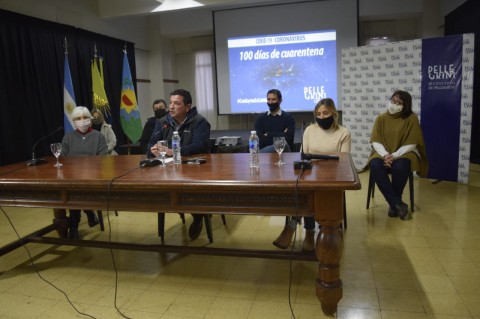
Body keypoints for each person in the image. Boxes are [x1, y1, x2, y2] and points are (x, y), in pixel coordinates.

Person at [273, 98, 351, 251]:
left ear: (333, 113)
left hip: (332, 176)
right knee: (305, 190)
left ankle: (294, 227)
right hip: (311, 172)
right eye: (318, 114)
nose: (321, 117)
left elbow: (344, 160)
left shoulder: (343, 133)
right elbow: (304, 154)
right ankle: (308, 232)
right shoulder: (309, 130)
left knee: (310, 193)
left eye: (325, 113)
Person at [147, 89, 211, 240]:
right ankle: (182, 207)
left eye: (177, 103)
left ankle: (198, 216)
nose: (171, 107)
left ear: (187, 107)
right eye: (170, 103)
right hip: (169, 170)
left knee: (188, 191)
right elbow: (149, 144)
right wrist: (153, 150)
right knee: (164, 192)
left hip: (195, 170)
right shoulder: (163, 122)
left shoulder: (199, 121)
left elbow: (200, 146)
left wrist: (173, 151)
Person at [368, 90, 428, 221]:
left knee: (401, 166)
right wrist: (385, 155)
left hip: (404, 153)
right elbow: (376, 141)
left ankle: (393, 204)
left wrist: (394, 156)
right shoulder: (381, 118)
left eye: (399, 102)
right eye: (393, 100)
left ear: (405, 105)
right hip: (381, 152)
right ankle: (397, 203)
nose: (394, 104)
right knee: (375, 165)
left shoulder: (411, 118)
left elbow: (412, 142)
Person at [61, 106, 108, 239]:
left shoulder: (98, 136)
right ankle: (89, 213)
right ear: (73, 121)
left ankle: (74, 225)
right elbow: (62, 159)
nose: (82, 121)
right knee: (73, 190)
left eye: (85, 117)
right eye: (78, 118)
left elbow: (104, 159)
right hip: (73, 177)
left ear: (90, 119)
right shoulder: (68, 137)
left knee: (75, 192)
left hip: (93, 177)